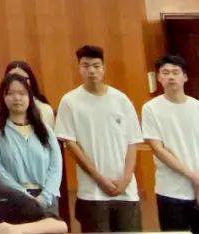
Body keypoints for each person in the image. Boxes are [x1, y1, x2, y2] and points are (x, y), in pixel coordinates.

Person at [55, 44, 143, 232]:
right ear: (79, 69)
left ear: (104, 68)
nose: (92, 71)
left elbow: (133, 141)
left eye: (96, 66)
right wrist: (99, 178)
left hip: (126, 192)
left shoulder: (121, 99)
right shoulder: (70, 101)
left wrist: (126, 178)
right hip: (92, 193)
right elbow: (71, 145)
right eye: (86, 66)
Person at [141, 54, 199, 234]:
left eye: (175, 72)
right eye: (165, 72)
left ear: (185, 77)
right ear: (159, 77)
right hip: (171, 191)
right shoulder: (151, 109)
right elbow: (158, 149)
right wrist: (195, 178)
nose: (171, 76)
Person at [0, 73, 63, 213]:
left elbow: (56, 165)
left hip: (47, 199)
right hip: (11, 199)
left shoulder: (45, 129)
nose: (17, 98)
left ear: (30, 97)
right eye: (10, 93)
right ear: (3, 98)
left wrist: (45, 197)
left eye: (22, 93)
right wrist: (24, 197)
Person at [3, 60, 55, 127]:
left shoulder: (44, 109)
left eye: (22, 78)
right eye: (12, 78)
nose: (16, 82)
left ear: (31, 81)